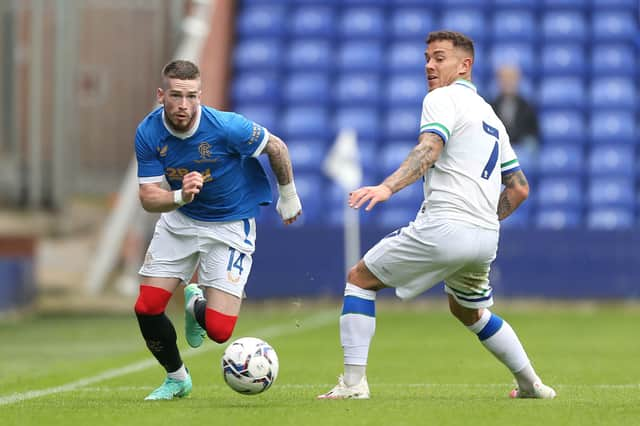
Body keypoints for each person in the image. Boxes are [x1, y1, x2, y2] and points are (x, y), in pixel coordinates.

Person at [318, 31, 555, 400]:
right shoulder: (491, 116)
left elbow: (429, 148)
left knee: (359, 279)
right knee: (469, 311)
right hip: (485, 236)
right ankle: (531, 384)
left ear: (465, 65)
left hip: (446, 225)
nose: (430, 65)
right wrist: (485, 217)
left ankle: (352, 385)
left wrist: (387, 188)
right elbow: (520, 187)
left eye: (439, 57)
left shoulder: (441, 99)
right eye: (427, 57)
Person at [133, 60, 302, 401]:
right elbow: (149, 198)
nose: (184, 105)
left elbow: (277, 147)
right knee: (147, 307)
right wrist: (180, 195)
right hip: (180, 221)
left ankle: (197, 303)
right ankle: (177, 379)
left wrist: (288, 195)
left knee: (220, 331)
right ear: (161, 95)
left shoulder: (226, 127)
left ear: (200, 95)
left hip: (229, 224)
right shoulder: (148, 132)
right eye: (176, 96)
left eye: (192, 96)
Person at [490, 65, 539, 153]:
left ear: (518, 80)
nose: (508, 82)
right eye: (504, 79)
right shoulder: (491, 107)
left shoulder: (527, 107)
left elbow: (533, 133)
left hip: (520, 152)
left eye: (511, 78)